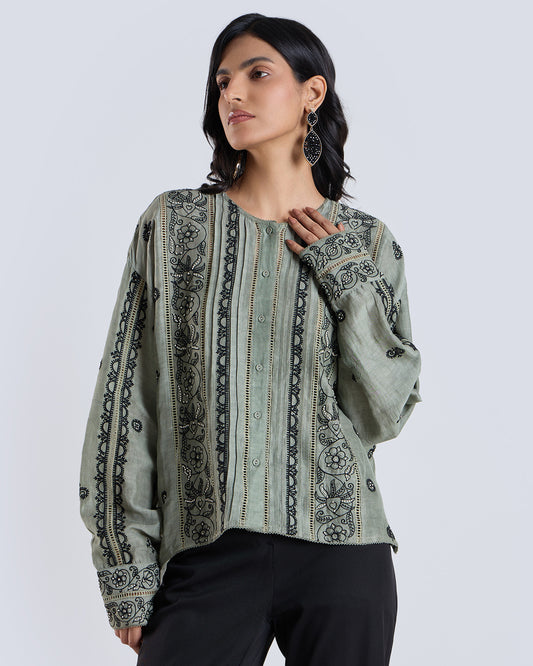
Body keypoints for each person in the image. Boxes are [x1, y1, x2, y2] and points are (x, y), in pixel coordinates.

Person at [79, 12, 422, 666]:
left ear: (312, 93)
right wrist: (126, 564)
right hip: (207, 551)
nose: (232, 93)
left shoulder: (367, 242)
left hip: (344, 553)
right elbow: (127, 396)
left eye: (256, 74)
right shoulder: (174, 224)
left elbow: (383, 413)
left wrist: (347, 281)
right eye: (222, 82)